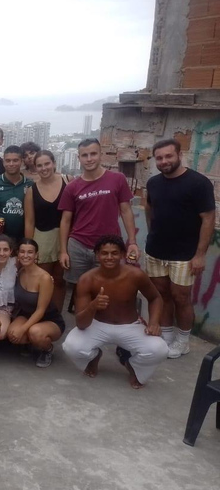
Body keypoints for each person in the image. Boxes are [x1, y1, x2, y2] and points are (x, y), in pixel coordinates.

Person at [62, 236, 168, 389]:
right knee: (72, 346)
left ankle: (133, 365)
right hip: (96, 325)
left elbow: (155, 298)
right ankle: (94, 357)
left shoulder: (136, 275)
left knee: (159, 349)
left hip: (130, 326)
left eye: (114, 253)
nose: (109, 257)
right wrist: (93, 306)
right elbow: (81, 323)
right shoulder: (87, 279)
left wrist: (154, 322)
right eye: (104, 253)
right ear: (97, 255)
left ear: (123, 255)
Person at [145, 139, 216, 358]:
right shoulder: (153, 183)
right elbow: (149, 209)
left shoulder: (199, 183)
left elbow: (208, 219)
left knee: (181, 297)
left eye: (168, 156)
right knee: (161, 294)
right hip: (156, 251)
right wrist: (152, 234)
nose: (164, 161)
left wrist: (200, 255)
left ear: (179, 155)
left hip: (185, 254)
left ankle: (183, 340)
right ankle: (166, 335)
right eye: (159, 158)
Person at [58, 139, 139, 298]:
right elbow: (65, 220)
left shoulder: (117, 179)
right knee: (80, 290)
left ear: (101, 154)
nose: (89, 159)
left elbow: (126, 211)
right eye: (85, 155)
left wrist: (132, 242)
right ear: (78, 158)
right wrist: (63, 251)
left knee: (109, 289)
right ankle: (83, 322)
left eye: (93, 154)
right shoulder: (72, 187)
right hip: (78, 245)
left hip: (108, 247)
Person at [6, 238, 65, 368]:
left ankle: (47, 349)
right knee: (12, 334)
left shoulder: (45, 278)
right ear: (18, 254)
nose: (25, 255)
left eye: (30, 252)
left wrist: (23, 328)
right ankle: (31, 343)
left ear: (36, 255)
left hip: (49, 318)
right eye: (22, 252)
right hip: (26, 314)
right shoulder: (20, 272)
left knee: (35, 333)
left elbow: (40, 310)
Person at [24, 150, 69, 310]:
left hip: (65, 237)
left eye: (47, 164)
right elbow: (29, 221)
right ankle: (41, 313)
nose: (44, 168)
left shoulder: (68, 182)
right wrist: (30, 248)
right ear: (35, 168)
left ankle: (56, 314)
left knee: (60, 279)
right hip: (42, 238)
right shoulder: (32, 191)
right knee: (43, 279)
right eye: (39, 165)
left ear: (54, 163)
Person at [0, 145, 33, 241]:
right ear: (3, 162)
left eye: (15, 160)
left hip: (20, 239)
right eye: (8, 161)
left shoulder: (30, 185)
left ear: (21, 161)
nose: (11, 164)